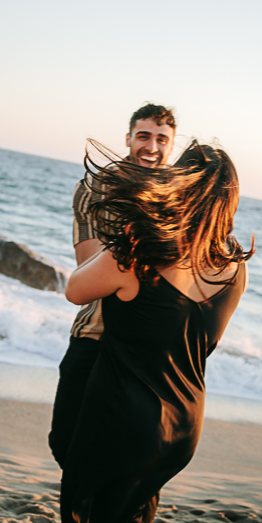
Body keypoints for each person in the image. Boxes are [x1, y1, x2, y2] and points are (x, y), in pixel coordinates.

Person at [58, 139, 253, 523]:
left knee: (85, 522)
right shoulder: (234, 268)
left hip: (122, 418)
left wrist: (128, 230)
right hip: (183, 427)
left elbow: (75, 290)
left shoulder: (137, 253)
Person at [48, 104, 177, 481]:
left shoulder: (179, 194)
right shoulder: (95, 186)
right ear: (128, 138)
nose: (151, 146)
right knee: (64, 442)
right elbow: (88, 273)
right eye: (144, 136)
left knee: (136, 456)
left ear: (171, 145)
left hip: (150, 344)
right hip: (96, 332)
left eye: (161, 139)